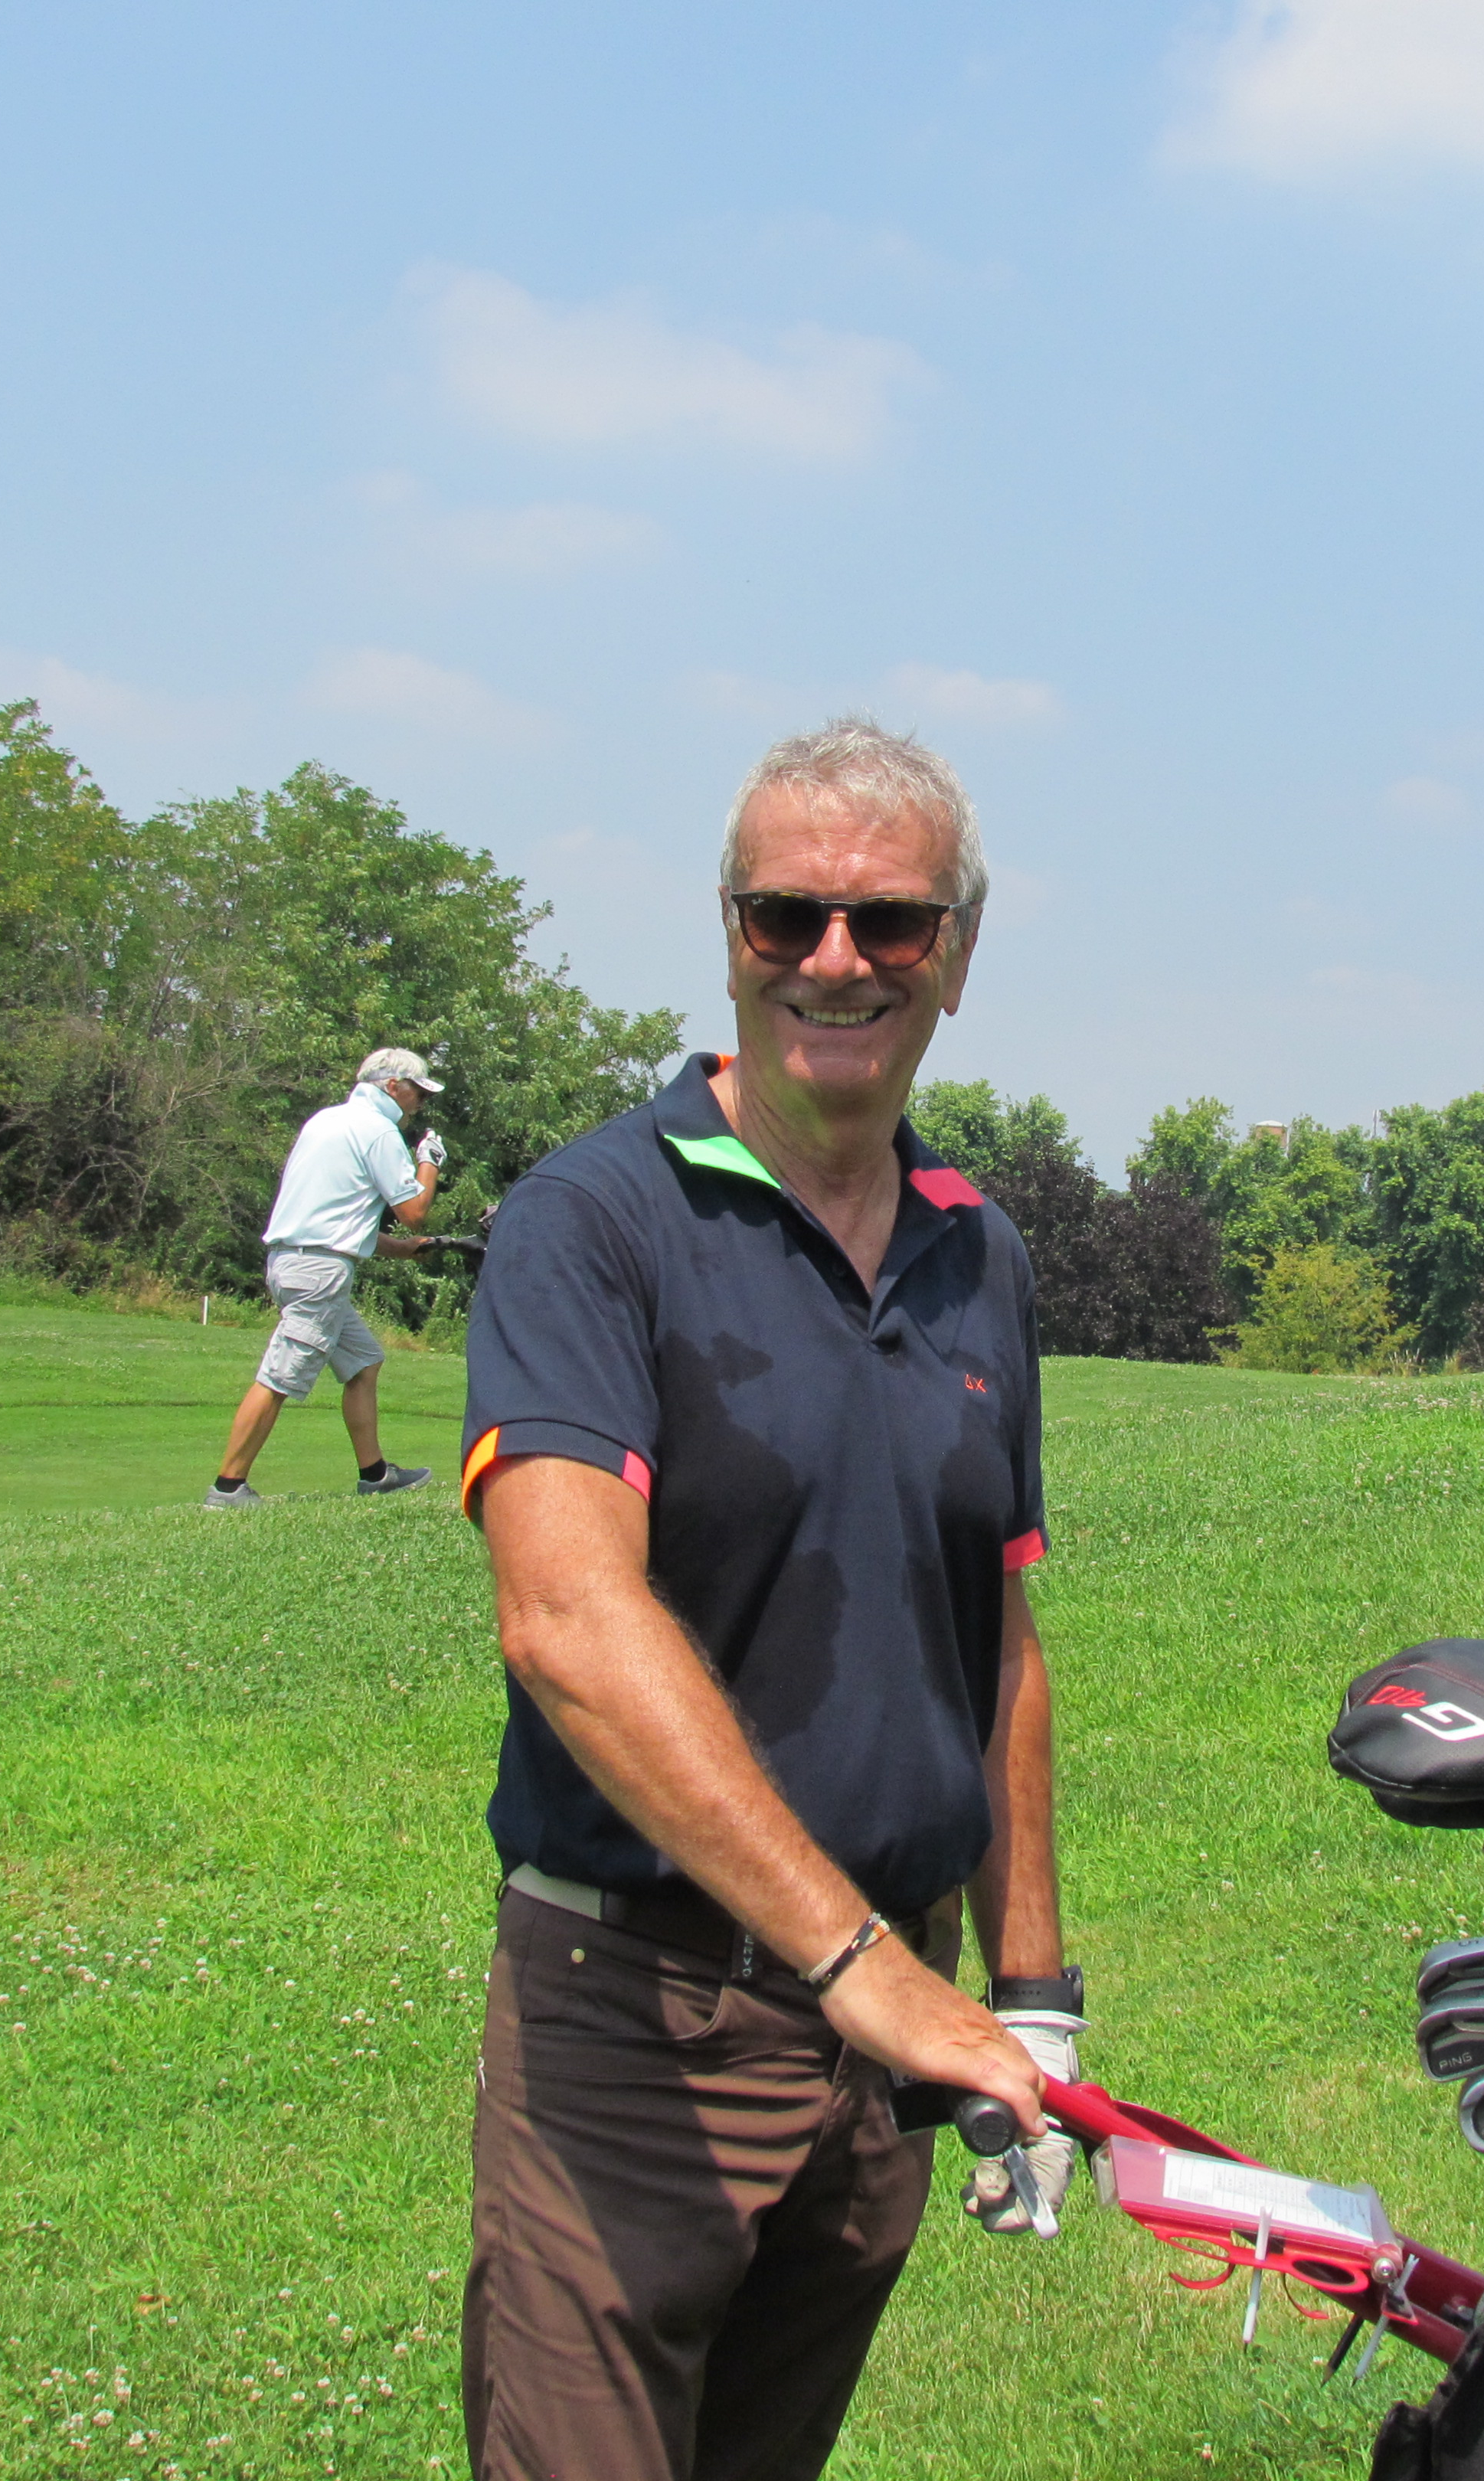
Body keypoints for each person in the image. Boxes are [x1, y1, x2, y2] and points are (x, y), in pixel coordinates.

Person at [456, 719, 1079, 2481]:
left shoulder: (977, 1250)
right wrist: (859, 1964)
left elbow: (999, 1631)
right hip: (638, 2022)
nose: (835, 959)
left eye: (891, 921)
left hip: (882, 2061)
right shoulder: (592, 1221)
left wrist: (1030, 1984)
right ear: (728, 933)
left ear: (959, 949)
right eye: (786, 913)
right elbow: (567, 1621)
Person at [203, 1047, 447, 1508]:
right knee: (279, 1377)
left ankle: (375, 1475)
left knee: (363, 1362)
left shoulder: (325, 1121)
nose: (420, 1102)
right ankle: (228, 1487)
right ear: (392, 1086)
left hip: (291, 1263)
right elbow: (414, 1211)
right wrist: (430, 1161)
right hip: (320, 1274)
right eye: (418, 1091)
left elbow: (341, 1220)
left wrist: (405, 1251)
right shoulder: (378, 1130)